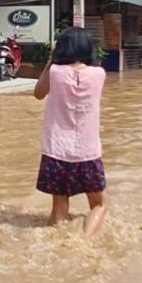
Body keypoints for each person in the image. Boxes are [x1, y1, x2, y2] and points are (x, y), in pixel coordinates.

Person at [33, 27, 107, 237]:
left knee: (59, 209)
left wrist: (51, 59)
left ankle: (58, 242)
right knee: (99, 204)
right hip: (87, 152)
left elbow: (38, 93)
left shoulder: (55, 72)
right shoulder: (99, 74)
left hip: (56, 150)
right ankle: (83, 240)